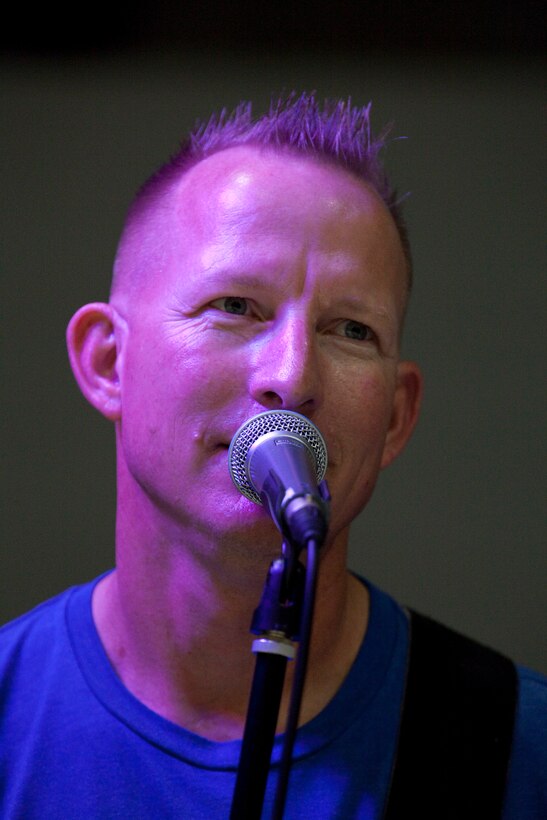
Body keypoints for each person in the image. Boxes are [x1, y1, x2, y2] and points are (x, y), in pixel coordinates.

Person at [0, 93, 545, 819]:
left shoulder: (519, 747)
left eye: (351, 330)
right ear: (107, 362)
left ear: (395, 417)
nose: (290, 376)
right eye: (234, 306)